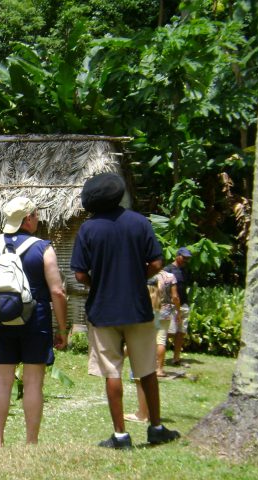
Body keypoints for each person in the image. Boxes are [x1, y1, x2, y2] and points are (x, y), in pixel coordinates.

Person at [70, 172, 180, 449]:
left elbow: (80, 275)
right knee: (147, 370)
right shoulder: (138, 222)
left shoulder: (88, 229)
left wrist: (101, 280)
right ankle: (156, 428)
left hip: (103, 310)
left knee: (112, 372)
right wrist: (136, 275)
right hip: (138, 307)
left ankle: (120, 435)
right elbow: (156, 263)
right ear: (119, 194)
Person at [0, 196, 68, 448]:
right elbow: (57, 291)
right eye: (36, 215)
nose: (38, 219)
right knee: (33, 382)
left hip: (1, 319)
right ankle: (31, 441)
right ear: (27, 219)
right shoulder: (43, 247)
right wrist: (62, 327)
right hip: (34, 319)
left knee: (2, 381)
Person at [124, 271, 179, 422]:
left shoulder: (140, 311)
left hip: (139, 351)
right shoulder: (155, 309)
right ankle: (145, 411)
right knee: (145, 380)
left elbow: (135, 337)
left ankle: (142, 414)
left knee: (139, 380)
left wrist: (123, 353)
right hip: (148, 349)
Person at [165, 247, 192, 366]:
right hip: (171, 305)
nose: (186, 260)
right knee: (168, 333)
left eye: (187, 258)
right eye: (184, 257)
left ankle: (176, 358)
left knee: (181, 332)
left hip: (184, 304)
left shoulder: (185, 270)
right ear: (177, 256)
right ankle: (157, 359)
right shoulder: (168, 269)